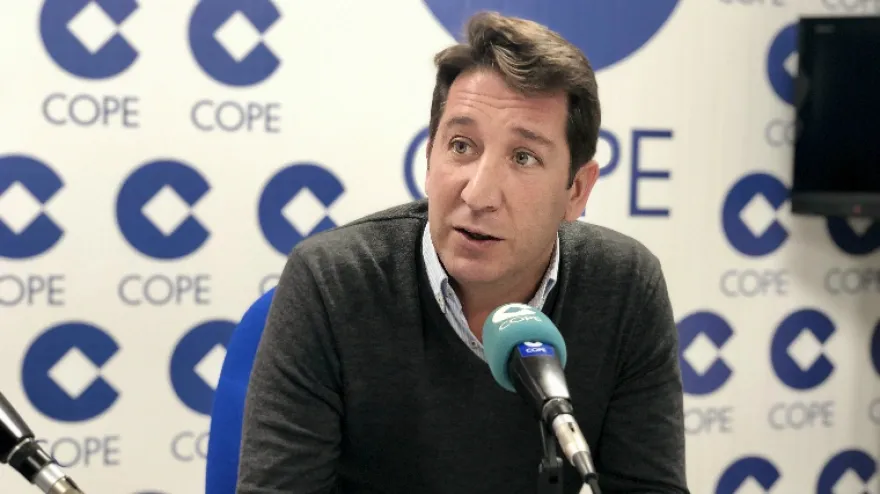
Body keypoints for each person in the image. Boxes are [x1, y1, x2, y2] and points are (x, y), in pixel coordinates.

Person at [235, 11, 688, 494]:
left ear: (576, 190)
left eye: (523, 157)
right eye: (461, 146)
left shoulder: (624, 288)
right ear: (429, 157)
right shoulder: (332, 283)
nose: (479, 194)